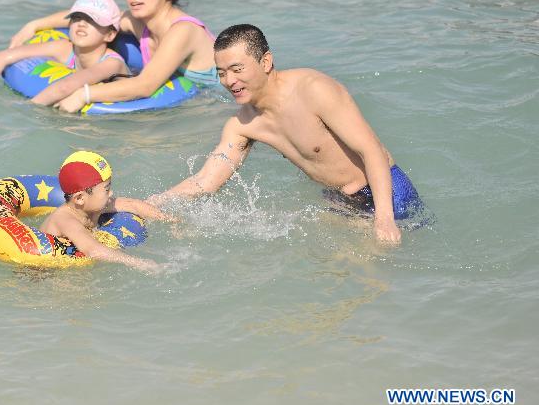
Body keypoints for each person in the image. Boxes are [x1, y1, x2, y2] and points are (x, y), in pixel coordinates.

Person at [150, 24, 424, 245]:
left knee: (363, 275)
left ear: (266, 61)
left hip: (385, 193)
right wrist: (150, 204)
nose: (229, 81)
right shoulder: (242, 124)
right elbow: (205, 182)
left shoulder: (313, 89)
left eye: (237, 69)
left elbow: (371, 149)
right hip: (339, 200)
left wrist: (384, 218)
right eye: (221, 73)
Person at [8, 0, 219, 113]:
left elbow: (145, 86)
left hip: (221, 99)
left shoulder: (182, 31)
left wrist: (85, 94)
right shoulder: (137, 22)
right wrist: (35, 24)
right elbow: (94, 15)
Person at [0, 0, 129, 110]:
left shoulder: (111, 64)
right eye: (77, 18)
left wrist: (26, 110)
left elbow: (66, 86)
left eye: (92, 20)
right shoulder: (64, 47)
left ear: (110, 34)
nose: (82, 24)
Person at [39, 150, 170, 273]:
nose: (111, 193)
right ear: (80, 198)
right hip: (46, 271)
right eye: (106, 190)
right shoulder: (65, 220)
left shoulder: (94, 206)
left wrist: (169, 220)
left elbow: (133, 205)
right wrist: (137, 262)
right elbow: (93, 250)